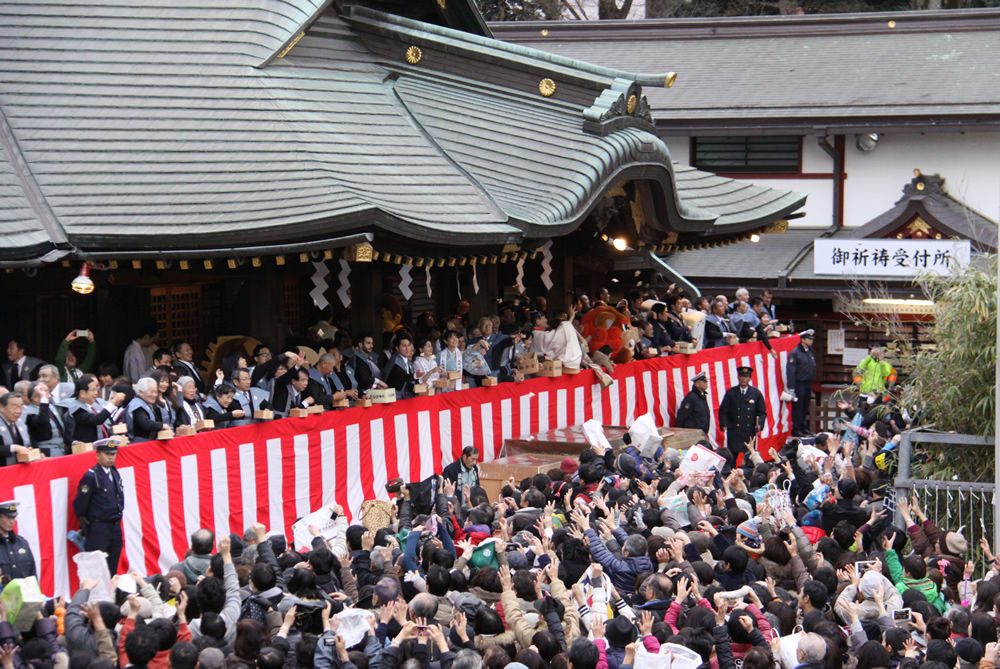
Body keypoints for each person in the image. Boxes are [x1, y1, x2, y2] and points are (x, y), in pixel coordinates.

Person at [73, 437, 126, 572]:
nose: (110, 458)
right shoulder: (91, 476)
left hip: (114, 526)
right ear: (97, 455)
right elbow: (80, 503)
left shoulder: (114, 472)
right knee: (96, 571)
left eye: (113, 454)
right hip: (99, 528)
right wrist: (87, 521)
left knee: (112, 569)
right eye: (107, 454)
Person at [718, 366, 767, 460]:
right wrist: (724, 424)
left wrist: (759, 424)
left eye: (746, 376)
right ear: (738, 377)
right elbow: (723, 410)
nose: (743, 378)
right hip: (734, 430)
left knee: (749, 457)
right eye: (741, 376)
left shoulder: (756, 393)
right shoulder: (731, 392)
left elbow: (762, 412)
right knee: (732, 456)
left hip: (749, 431)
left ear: (750, 378)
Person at [68, 374, 126, 443]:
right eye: (93, 390)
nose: (96, 393)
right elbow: (97, 420)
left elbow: (106, 423)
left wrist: (117, 434)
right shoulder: (76, 409)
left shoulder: (95, 405)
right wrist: (113, 403)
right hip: (86, 448)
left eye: (96, 389)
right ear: (82, 393)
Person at [24, 380, 74, 457]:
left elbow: (60, 430)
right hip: (45, 451)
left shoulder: (50, 407)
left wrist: (73, 442)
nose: (49, 396)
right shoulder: (29, 413)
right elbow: (43, 420)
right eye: (45, 393)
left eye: (48, 392)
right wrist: (43, 399)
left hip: (60, 448)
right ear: (34, 398)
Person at [787, 329, 817, 437]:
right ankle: (796, 428)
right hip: (799, 382)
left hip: (808, 382)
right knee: (798, 407)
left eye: (812, 339)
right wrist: (791, 387)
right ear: (803, 339)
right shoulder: (795, 353)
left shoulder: (810, 352)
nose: (811, 341)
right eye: (809, 339)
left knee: (805, 406)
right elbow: (791, 371)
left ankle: (804, 428)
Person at [126, 377, 171, 442]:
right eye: (152, 392)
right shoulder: (136, 405)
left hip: (150, 441)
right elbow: (145, 423)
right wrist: (162, 426)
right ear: (141, 392)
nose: (154, 395)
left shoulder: (148, 403)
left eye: (156, 392)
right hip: (138, 443)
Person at [0, 500, 36, 579]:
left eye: (14, 517)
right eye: (8, 517)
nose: (12, 521)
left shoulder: (22, 542)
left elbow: (32, 574)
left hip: (24, 591)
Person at [0, 391, 34, 465]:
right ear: (1, 408)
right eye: (14, 407)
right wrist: (13, 448)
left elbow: (28, 442)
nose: (19, 411)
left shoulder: (21, 424)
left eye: (21, 407)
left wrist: (29, 450)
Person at [123, 318, 160, 383]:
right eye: (152, 339)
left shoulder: (140, 349)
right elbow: (136, 376)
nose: (152, 342)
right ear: (146, 337)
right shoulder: (135, 352)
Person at [382, 333, 416, 399]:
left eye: (408, 345)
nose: (407, 348)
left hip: (404, 395)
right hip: (393, 396)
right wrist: (415, 376)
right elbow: (402, 376)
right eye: (404, 346)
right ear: (397, 348)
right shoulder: (395, 361)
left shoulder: (407, 360)